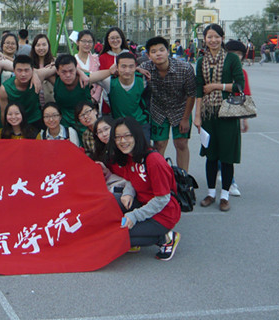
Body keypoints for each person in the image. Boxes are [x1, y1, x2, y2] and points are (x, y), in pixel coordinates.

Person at [107, 117, 182, 260]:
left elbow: (162, 199)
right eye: (118, 137)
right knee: (111, 202)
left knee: (118, 235)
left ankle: (165, 238)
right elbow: (131, 179)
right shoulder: (129, 155)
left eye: (127, 136)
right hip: (143, 202)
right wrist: (128, 193)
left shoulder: (154, 160)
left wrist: (134, 216)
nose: (122, 141)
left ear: (136, 135)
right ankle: (139, 235)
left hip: (163, 214)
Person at [194, 24, 245, 212]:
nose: (213, 40)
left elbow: (239, 85)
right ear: (205, 39)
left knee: (227, 156)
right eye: (209, 37)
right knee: (211, 155)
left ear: (222, 38)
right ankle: (210, 193)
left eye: (216, 36)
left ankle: (224, 196)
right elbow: (199, 89)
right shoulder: (201, 61)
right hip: (208, 114)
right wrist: (197, 116)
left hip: (228, 113)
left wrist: (217, 86)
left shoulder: (232, 59)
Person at [140, 37, 196, 171]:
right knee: (159, 144)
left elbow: (191, 94)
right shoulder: (145, 67)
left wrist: (185, 119)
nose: (158, 54)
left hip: (181, 109)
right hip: (158, 110)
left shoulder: (184, 68)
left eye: (161, 50)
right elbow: (126, 69)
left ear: (168, 51)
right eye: (153, 51)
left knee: (181, 143)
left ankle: (183, 177)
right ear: (148, 55)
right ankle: (160, 175)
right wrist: (137, 69)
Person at [37, 54, 112, 137]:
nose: (68, 75)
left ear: (76, 69)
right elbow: (37, 73)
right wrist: (54, 67)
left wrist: (80, 72)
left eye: (71, 71)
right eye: (64, 72)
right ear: (57, 71)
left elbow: (108, 72)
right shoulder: (56, 80)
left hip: (85, 121)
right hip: (64, 123)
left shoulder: (85, 79)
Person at [97, 52, 151, 142]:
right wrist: (109, 71)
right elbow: (89, 77)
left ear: (135, 67)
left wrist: (137, 69)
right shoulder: (110, 82)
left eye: (131, 66)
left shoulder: (142, 79)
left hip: (140, 123)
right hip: (119, 125)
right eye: (123, 66)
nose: (127, 70)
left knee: (144, 149)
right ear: (117, 67)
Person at [224, 40, 252, 197]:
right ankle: (221, 172)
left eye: (239, 54)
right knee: (217, 148)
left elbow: (245, 94)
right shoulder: (219, 69)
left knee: (229, 149)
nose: (236, 56)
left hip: (233, 112)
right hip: (216, 110)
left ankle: (230, 181)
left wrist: (244, 118)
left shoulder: (242, 73)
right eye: (233, 53)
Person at [0, 55, 43, 131]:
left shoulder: (38, 77)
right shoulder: (5, 89)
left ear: (32, 70)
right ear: (14, 70)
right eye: (19, 70)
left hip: (35, 120)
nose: (23, 74)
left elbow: (54, 68)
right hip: (15, 122)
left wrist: (36, 74)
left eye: (26, 70)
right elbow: (4, 113)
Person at [99, 27, 130, 114]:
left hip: (127, 96)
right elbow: (101, 78)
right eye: (112, 38)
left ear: (122, 39)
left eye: (117, 37)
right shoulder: (103, 57)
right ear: (107, 40)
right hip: (108, 97)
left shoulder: (129, 54)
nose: (115, 40)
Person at [74, 29, 103, 105]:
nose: (87, 44)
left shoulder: (96, 60)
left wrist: (94, 98)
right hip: (76, 101)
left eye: (90, 42)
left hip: (93, 102)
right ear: (77, 42)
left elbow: (100, 81)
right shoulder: (72, 61)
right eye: (84, 41)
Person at [30, 33, 55, 106]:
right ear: (34, 47)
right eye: (38, 45)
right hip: (34, 103)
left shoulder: (54, 62)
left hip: (51, 103)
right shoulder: (29, 63)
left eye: (44, 45)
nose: (41, 48)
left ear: (48, 46)